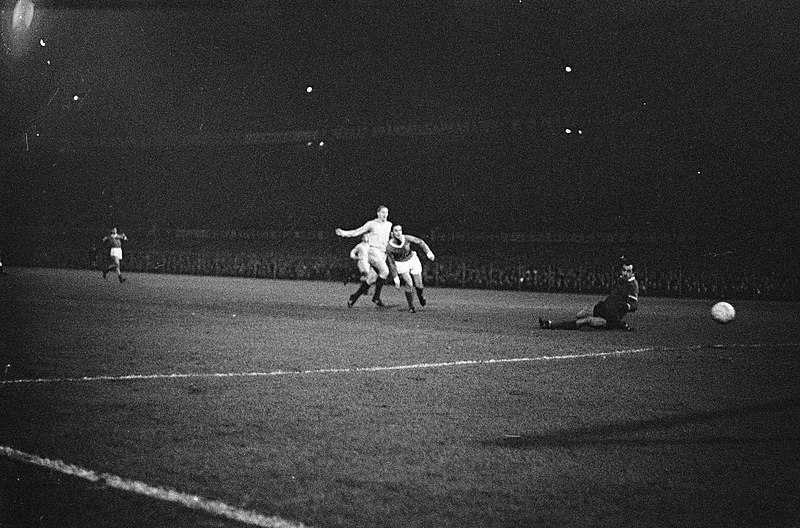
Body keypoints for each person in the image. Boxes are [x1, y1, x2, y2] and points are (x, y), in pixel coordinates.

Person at [539, 258, 639, 330]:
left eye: (628, 271)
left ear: (633, 273)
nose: (625, 273)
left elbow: (634, 305)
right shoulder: (621, 280)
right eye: (624, 270)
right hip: (603, 307)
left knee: (586, 320)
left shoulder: (633, 285)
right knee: (580, 314)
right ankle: (590, 327)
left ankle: (550, 324)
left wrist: (625, 307)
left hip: (610, 318)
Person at [335, 205, 392, 307]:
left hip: (383, 254)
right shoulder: (371, 224)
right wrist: (343, 233)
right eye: (383, 212)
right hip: (373, 251)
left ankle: (354, 297)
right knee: (385, 271)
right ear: (378, 213)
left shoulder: (389, 225)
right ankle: (376, 297)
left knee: (372, 279)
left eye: (387, 212)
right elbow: (357, 231)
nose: (385, 214)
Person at [386, 224, 435, 313]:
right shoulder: (389, 247)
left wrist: (428, 253)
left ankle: (420, 296)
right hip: (401, 263)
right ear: (392, 233)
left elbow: (420, 242)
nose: (398, 233)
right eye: (396, 231)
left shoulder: (407, 238)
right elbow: (391, 263)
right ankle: (411, 306)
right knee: (409, 283)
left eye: (400, 230)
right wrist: (396, 278)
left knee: (419, 285)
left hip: (412, 259)